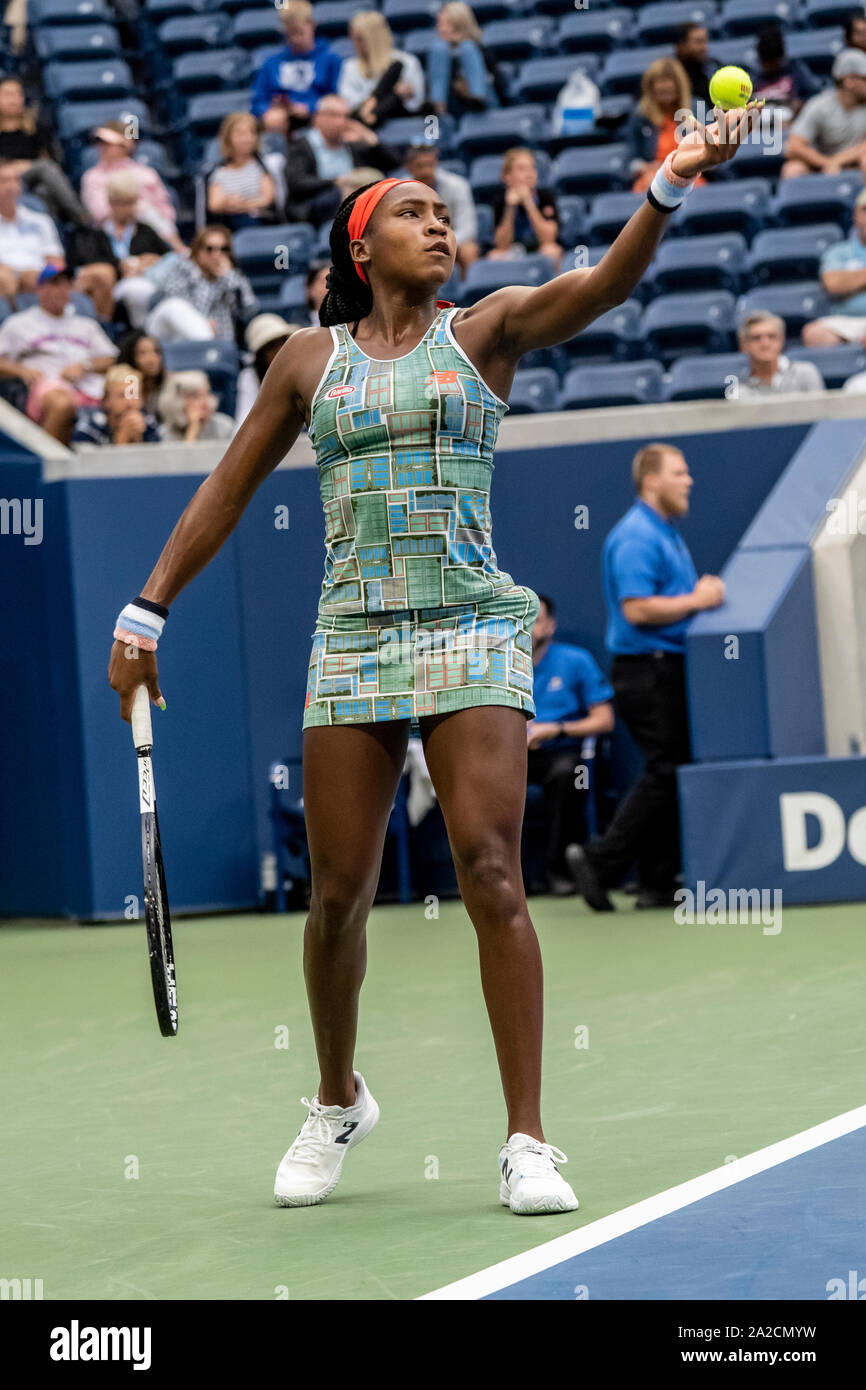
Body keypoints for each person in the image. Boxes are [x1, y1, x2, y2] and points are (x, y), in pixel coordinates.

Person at [108, 101, 759, 1212]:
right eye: (412, 212)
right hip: (353, 632)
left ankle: (525, 1139)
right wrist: (146, 610)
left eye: (444, 211)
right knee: (336, 893)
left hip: (471, 621)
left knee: (491, 867)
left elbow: (598, 287)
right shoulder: (307, 364)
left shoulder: (488, 329)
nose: (439, 223)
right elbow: (225, 490)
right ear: (360, 248)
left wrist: (669, 179)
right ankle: (335, 1100)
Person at [567, 445, 726, 913]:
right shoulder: (637, 536)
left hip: (662, 669)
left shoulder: (663, 531)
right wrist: (699, 600)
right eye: (680, 472)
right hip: (647, 672)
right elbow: (637, 609)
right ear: (652, 481)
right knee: (664, 771)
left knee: (670, 770)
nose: (689, 480)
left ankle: (658, 883)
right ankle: (599, 862)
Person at [527, 594, 614, 896]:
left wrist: (556, 729)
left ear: (551, 626)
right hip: (511, 757)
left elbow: (604, 720)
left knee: (569, 776)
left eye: (536, 619)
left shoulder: (575, 660)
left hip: (562, 754)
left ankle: (558, 870)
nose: (528, 627)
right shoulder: (499, 668)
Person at [0, 265, 116, 443]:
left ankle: (130, 464)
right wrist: (21, 372)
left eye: (66, 284)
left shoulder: (86, 324)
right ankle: (48, 465)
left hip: (91, 386)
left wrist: (85, 366)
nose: (62, 289)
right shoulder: (18, 323)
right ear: (40, 289)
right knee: (62, 403)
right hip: (46, 387)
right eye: (55, 283)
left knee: (131, 389)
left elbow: (112, 358)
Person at [283, 95, 401, 227]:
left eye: (346, 116)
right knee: (344, 194)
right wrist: (336, 182)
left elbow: (394, 163)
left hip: (355, 200)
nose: (342, 122)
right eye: (335, 116)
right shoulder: (300, 145)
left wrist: (370, 137)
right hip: (318, 204)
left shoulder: (351, 145)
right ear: (319, 117)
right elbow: (297, 182)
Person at [71, 172, 172, 326]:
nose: (128, 208)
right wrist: (122, 266)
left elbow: (169, 257)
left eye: (131, 203)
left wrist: (151, 261)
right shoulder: (95, 234)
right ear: (111, 203)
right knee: (125, 285)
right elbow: (89, 261)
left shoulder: (146, 231)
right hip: (111, 286)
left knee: (141, 289)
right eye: (122, 203)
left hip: (145, 281)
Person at [144, 226, 257, 344]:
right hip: (177, 338)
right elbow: (179, 308)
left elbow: (250, 309)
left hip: (219, 343)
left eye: (224, 249)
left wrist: (227, 277)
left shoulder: (231, 277)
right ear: (198, 251)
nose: (217, 254)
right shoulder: (184, 269)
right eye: (210, 249)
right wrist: (203, 322)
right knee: (175, 306)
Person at [81, 122, 184, 251]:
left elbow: (165, 208)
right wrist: (135, 211)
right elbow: (100, 213)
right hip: (111, 234)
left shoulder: (147, 173)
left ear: (125, 146)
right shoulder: (92, 177)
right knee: (144, 209)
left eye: (109, 144)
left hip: (154, 232)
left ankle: (179, 252)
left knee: (151, 215)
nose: (103, 147)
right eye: (101, 143)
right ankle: (180, 251)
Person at [0, 76, 88, 225]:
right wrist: (13, 167)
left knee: (44, 191)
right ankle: (82, 217)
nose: (13, 100)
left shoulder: (37, 128)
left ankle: (47, 238)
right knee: (44, 168)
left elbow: (52, 160)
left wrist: (25, 165)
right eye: (8, 94)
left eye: (17, 94)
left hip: (33, 179)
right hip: (4, 180)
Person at [250, 0, 342, 136]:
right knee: (272, 119)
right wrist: (271, 108)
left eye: (299, 32)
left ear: (312, 25)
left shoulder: (330, 59)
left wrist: (310, 107)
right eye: (289, 34)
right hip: (282, 119)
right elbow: (258, 102)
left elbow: (336, 97)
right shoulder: (271, 63)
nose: (295, 39)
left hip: (317, 115)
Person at [781, 48, 866, 179]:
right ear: (849, 81)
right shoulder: (820, 105)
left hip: (856, 164)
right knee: (793, 169)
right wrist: (826, 163)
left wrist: (837, 161)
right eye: (864, 79)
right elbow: (793, 147)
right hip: (823, 165)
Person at [626, 58, 704, 195]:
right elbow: (631, 162)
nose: (665, 86)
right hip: (654, 178)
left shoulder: (697, 108)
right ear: (651, 87)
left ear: (679, 84)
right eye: (660, 82)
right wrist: (647, 167)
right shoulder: (640, 116)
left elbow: (711, 151)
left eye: (669, 81)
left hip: (691, 175)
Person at [339, 11, 425, 129]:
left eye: (360, 39)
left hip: (400, 121)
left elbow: (416, 103)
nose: (355, 44)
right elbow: (348, 103)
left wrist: (404, 95)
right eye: (353, 39)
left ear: (374, 38)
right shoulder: (349, 66)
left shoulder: (407, 62)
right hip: (364, 123)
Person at [801, 188, 866, 345]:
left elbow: (841, 282)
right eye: (865, 210)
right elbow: (833, 284)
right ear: (855, 215)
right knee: (814, 334)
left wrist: (853, 282)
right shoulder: (839, 251)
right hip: (849, 322)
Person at [405, 143, 478, 275]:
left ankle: (469, 293)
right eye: (420, 166)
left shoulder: (458, 186)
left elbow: (468, 228)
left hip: (450, 238)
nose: (426, 171)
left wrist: (441, 241)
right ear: (409, 168)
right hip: (414, 241)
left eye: (430, 165)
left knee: (469, 250)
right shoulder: (399, 192)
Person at [0, 159, 64, 303]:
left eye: (15, 180)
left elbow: (56, 260)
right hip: (5, 276)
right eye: (4, 181)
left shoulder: (41, 221)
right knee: (4, 279)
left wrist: (48, 276)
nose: (11, 186)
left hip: (38, 275)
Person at [489, 147, 561, 268]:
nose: (529, 173)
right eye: (521, 169)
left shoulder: (545, 196)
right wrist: (510, 208)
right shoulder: (501, 200)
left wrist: (528, 201)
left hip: (539, 248)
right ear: (507, 177)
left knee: (551, 251)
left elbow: (548, 239)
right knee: (494, 256)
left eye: (532, 168)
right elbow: (501, 245)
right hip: (514, 250)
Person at [428, 2, 503, 117]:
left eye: (443, 24)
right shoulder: (440, 52)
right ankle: (437, 109)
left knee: (467, 48)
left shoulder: (478, 50)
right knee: (439, 49)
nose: (439, 28)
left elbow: (500, 85)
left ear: (458, 25)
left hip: (486, 107)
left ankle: (477, 98)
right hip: (453, 107)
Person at [207, 113, 278, 232]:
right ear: (228, 138)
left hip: (259, 221)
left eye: (252, 133)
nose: (248, 138)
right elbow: (214, 204)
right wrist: (231, 203)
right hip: (229, 223)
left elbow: (267, 198)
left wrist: (240, 204)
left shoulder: (263, 165)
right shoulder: (219, 171)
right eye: (241, 134)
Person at [734, 312, 825, 396]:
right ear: (744, 344)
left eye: (772, 337)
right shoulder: (739, 389)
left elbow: (821, 411)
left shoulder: (805, 373)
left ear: (782, 341)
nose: (765, 344)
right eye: (756, 338)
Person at [72, 364, 161, 446]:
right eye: (121, 396)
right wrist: (122, 439)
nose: (130, 403)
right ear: (106, 401)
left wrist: (138, 440)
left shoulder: (149, 425)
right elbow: (88, 462)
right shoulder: (87, 429)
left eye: (135, 395)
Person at [236, 313, 300, 426]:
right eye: (271, 346)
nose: (280, 349)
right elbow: (243, 422)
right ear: (260, 355)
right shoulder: (249, 376)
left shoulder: (301, 367)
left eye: (282, 342)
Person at [751, 26, 821, 123]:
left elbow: (816, 97)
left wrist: (800, 106)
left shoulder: (796, 71)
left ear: (781, 57)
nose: (770, 67)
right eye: (766, 62)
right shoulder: (753, 80)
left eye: (773, 61)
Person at [157, 370, 235, 443]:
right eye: (196, 397)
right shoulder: (165, 432)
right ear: (177, 401)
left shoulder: (225, 426)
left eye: (207, 395)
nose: (205, 403)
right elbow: (183, 457)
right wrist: (193, 429)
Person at [116, 330, 166, 416]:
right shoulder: (124, 387)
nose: (152, 359)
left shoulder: (168, 384)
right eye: (143, 353)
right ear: (130, 357)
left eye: (156, 352)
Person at [673, 23, 716, 109]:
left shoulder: (714, 64)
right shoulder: (672, 75)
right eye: (698, 42)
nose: (704, 48)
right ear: (681, 46)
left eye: (705, 41)